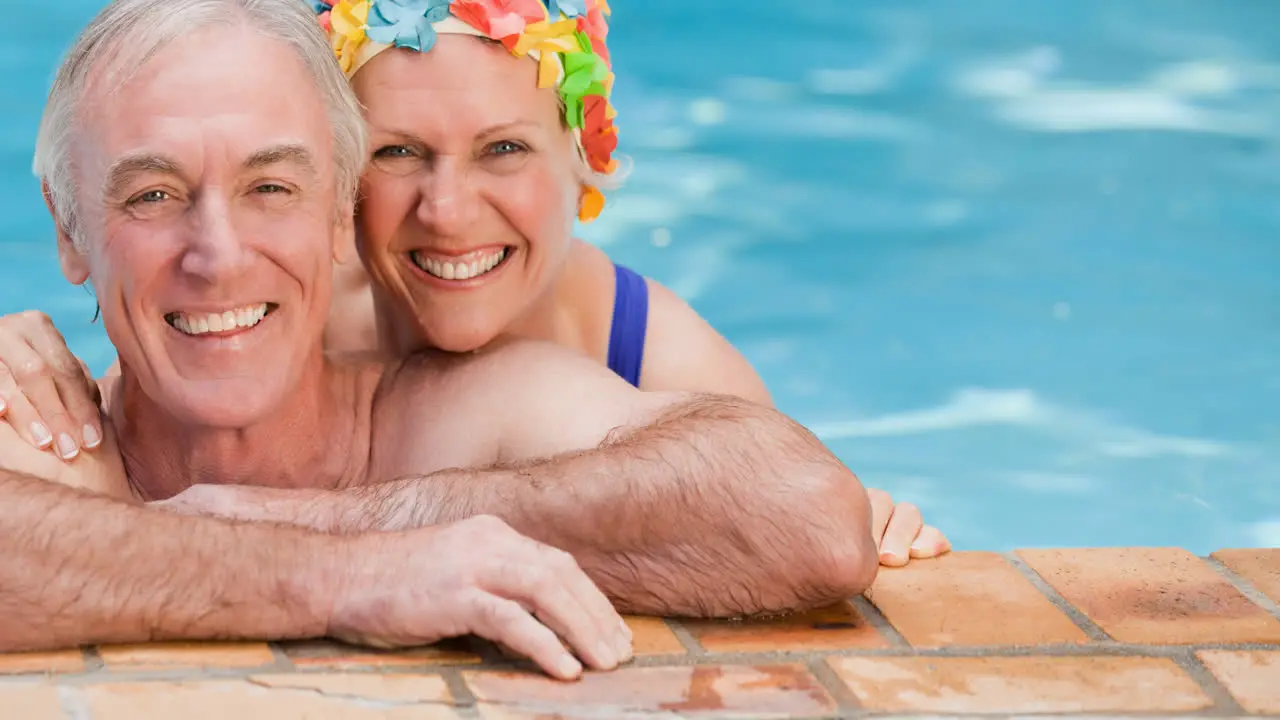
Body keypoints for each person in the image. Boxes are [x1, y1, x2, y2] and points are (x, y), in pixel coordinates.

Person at [0, 0, 884, 680]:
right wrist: (344, 577)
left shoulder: (470, 409)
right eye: (151, 195)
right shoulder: (50, 429)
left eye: (272, 187)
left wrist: (349, 521)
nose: (220, 258)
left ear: (338, 213)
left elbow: (807, 515)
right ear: (69, 230)